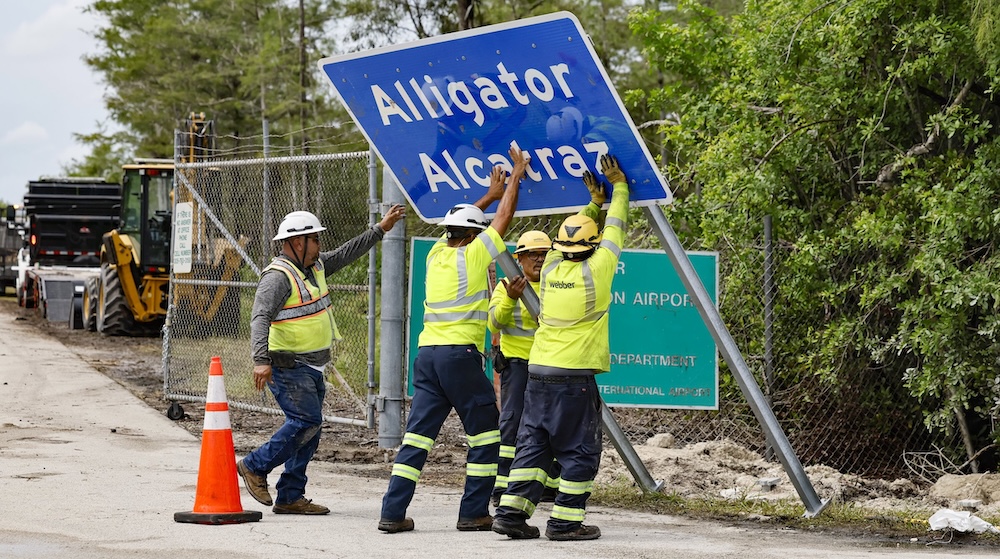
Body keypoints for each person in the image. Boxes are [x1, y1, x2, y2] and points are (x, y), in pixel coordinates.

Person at [379, 146, 529, 534]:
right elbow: (504, 219)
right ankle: (473, 512)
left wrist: (486, 197)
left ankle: (392, 513)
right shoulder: (476, 254)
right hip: (459, 358)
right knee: (486, 434)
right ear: (475, 235)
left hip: (427, 357)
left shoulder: (435, 255)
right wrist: (513, 176)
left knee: (417, 438)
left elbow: (465, 224)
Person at [492, 153, 629, 541]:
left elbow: (569, 237)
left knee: (533, 445)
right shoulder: (599, 269)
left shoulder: (550, 265)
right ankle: (566, 522)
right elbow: (616, 227)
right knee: (580, 450)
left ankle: (511, 515)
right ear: (593, 246)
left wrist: (592, 204)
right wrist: (617, 188)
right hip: (574, 378)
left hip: (538, 373)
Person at [238, 206, 405, 515]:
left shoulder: (315, 267)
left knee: (310, 429)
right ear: (298, 242)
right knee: (306, 422)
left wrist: (381, 228)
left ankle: (289, 496)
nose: (319, 246)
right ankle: (254, 465)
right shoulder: (278, 277)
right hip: (288, 364)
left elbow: (347, 252)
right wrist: (260, 360)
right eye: (315, 240)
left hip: (313, 365)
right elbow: (259, 318)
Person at [487, 230, 561, 506]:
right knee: (511, 424)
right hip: (517, 365)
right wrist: (510, 298)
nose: (539, 259)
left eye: (545, 254)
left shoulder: (557, 284)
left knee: (553, 425)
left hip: (549, 365)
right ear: (519, 259)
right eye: (533, 254)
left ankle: (548, 486)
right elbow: (494, 324)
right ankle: (502, 487)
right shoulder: (505, 285)